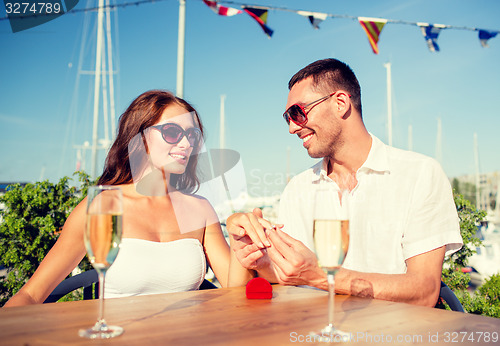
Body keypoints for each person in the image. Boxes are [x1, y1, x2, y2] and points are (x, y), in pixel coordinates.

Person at [227, 59, 463, 307]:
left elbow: (424, 292)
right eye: (287, 117)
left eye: (297, 112)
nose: (292, 127)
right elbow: (295, 278)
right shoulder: (297, 189)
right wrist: (259, 261)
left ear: (340, 103)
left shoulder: (420, 174)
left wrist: (322, 276)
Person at [5, 90, 252, 307]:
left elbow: (234, 292)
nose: (187, 143)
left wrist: (242, 245)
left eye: (193, 135)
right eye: (173, 131)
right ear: (140, 137)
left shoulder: (200, 209)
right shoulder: (102, 206)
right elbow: (32, 294)